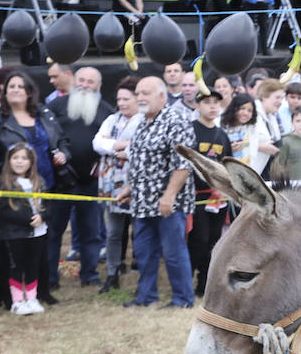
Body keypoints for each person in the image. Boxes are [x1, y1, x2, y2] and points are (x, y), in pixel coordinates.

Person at [114, 76, 196, 308]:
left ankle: (182, 299)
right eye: (138, 93)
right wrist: (128, 188)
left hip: (169, 203)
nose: (140, 98)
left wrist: (169, 196)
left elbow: (183, 164)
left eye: (145, 93)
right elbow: (141, 161)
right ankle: (146, 296)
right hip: (142, 202)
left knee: (173, 253)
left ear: (162, 96)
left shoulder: (176, 120)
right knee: (143, 252)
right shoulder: (142, 122)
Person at [0, 72, 68, 306]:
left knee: (42, 241)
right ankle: (8, 295)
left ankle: (42, 290)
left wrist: (64, 153)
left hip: (44, 185)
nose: (15, 89)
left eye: (20, 86)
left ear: (29, 91)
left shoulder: (44, 114)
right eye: (11, 86)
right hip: (11, 189)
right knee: (11, 245)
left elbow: (61, 141)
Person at [44, 65, 110, 288]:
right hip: (60, 182)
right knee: (53, 231)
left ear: (99, 86)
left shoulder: (106, 112)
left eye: (90, 82)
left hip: (90, 183)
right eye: (81, 80)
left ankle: (89, 275)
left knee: (91, 232)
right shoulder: (55, 107)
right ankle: (50, 277)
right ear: (74, 81)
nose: (84, 85)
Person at [93, 81, 140, 293]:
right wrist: (118, 147)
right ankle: (112, 273)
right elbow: (97, 143)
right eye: (119, 99)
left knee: (140, 231)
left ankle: (143, 275)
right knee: (113, 232)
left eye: (126, 99)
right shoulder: (111, 119)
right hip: (112, 183)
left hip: (136, 182)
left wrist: (114, 147)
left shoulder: (144, 121)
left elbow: (143, 147)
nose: (121, 103)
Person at [188, 87, 232, 297]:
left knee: (214, 240)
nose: (212, 106)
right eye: (207, 102)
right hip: (197, 197)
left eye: (216, 102)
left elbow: (227, 164)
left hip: (219, 197)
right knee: (198, 239)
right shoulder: (189, 130)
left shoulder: (222, 134)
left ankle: (204, 283)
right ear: (197, 105)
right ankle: (187, 279)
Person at [0, 143, 48, 315]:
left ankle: (31, 298)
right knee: (16, 266)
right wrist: (27, 220)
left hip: (38, 232)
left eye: (24, 158)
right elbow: (3, 209)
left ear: (31, 161)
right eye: (15, 158)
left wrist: (42, 217)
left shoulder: (39, 181)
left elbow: (48, 204)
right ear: (8, 161)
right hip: (14, 234)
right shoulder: (3, 183)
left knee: (33, 265)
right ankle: (17, 301)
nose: (19, 162)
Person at [250, 78, 285, 176]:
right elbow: (236, 142)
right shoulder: (250, 113)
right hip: (249, 170)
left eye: (282, 98)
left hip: (263, 172)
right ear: (264, 96)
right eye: (277, 97)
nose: (280, 101)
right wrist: (260, 147)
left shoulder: (272, 118)